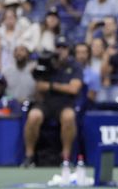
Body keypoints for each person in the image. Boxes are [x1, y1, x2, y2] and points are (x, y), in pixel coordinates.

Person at [21, 36, 83, 167]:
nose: (61, 51)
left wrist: (50, 86)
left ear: (68, 50)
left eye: (64, 48)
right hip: (46, 102)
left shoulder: (74, 66)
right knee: (33, 116)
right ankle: (29, 157)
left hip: (64, 103)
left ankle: (65, 157)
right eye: (58, 47)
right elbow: (38, 87)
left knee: (69, 117)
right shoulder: (46, 64)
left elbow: (74, 89)